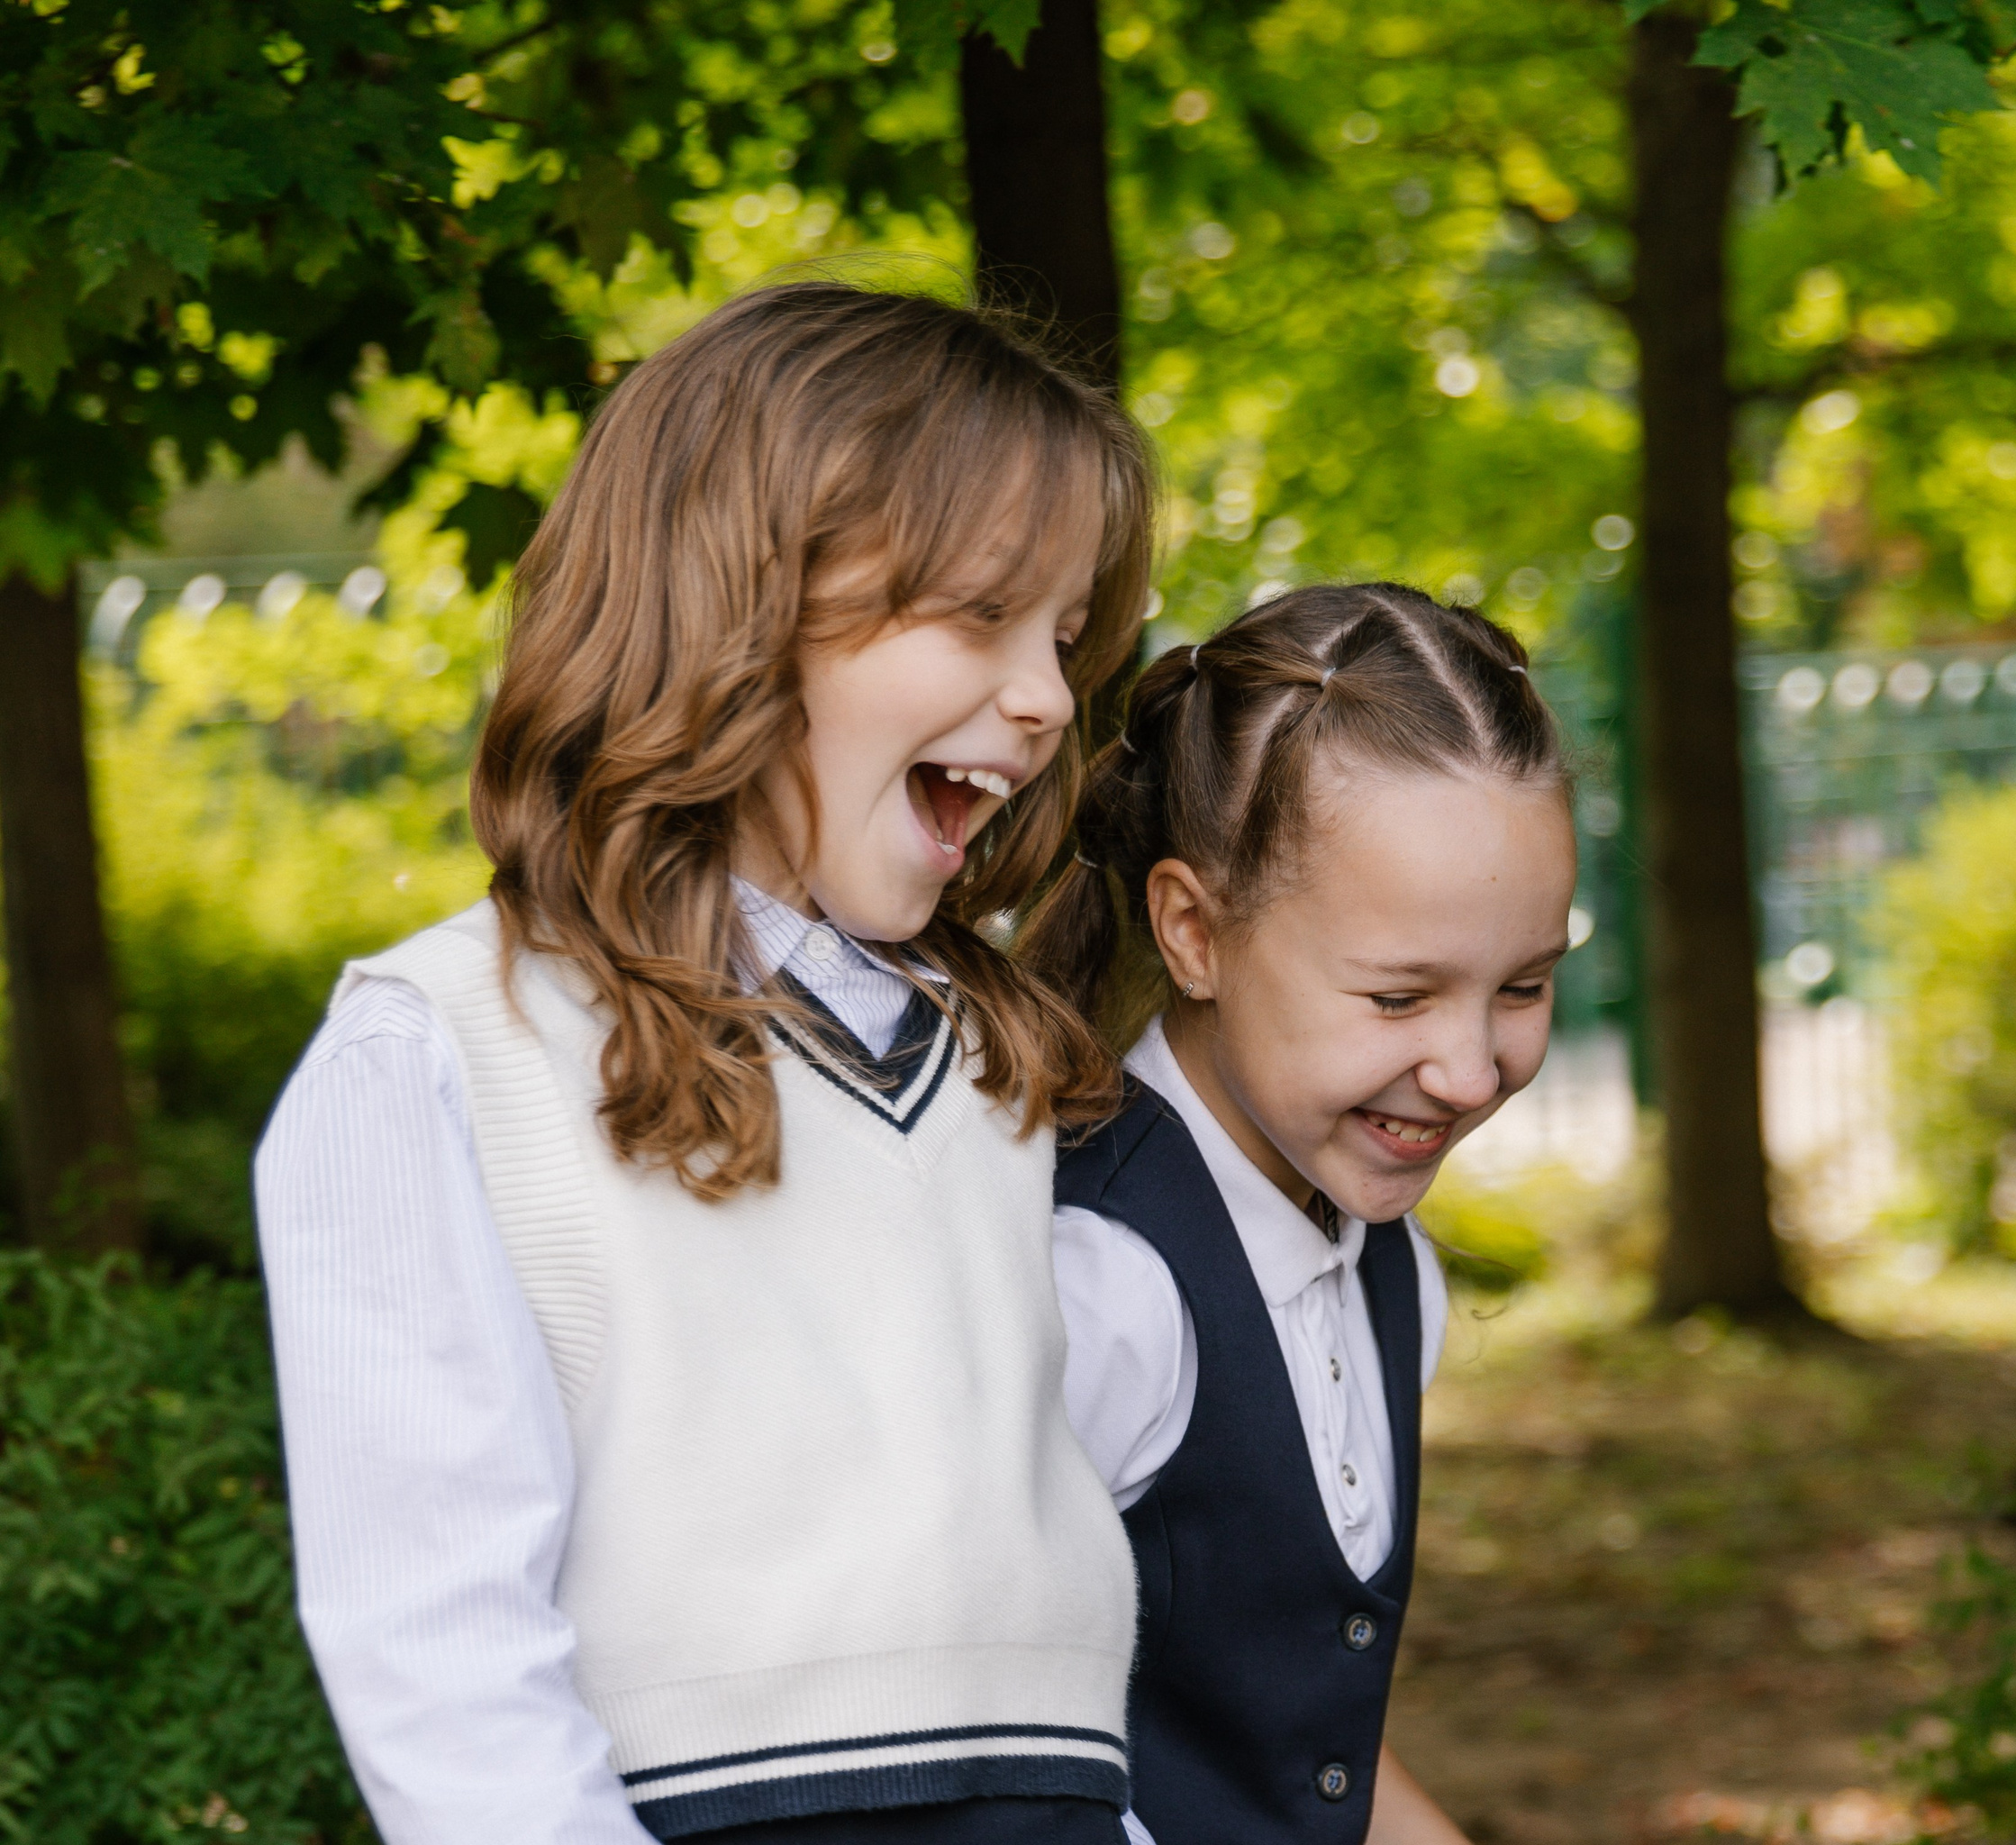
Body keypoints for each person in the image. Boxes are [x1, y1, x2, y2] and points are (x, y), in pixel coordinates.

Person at [255, 284, 1158, 1845]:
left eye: (1066, 640)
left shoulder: (997, 1060)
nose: (1048, 698)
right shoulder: (443, 1049)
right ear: (735, 603)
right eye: (980, 615)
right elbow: (446, 1673)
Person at [1022, 584, 1578, 1845]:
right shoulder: (1096, 1288)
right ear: (1193, 932)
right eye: (1398, 998)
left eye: (1524, 986)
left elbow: (1296, 1751)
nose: (1470, 1073)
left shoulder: (1390, 1267)